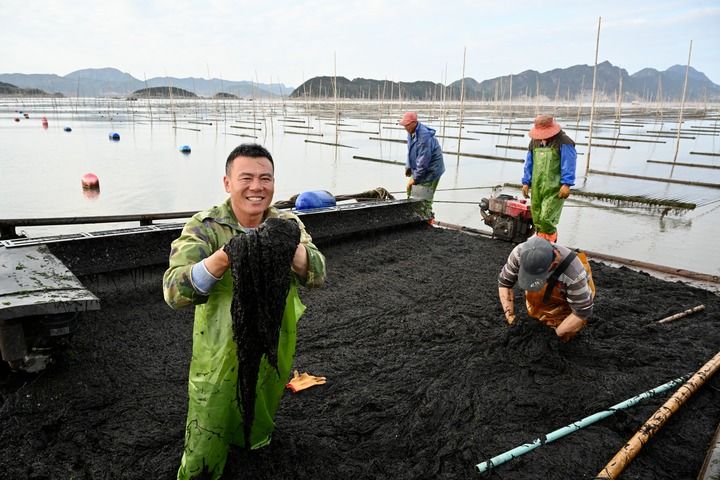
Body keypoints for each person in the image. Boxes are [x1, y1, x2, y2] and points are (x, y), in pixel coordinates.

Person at [163, 143, 326, 480]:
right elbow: (174, 290)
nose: (257, 186)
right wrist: (228, 255)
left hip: (275, 337)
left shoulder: (288, 223)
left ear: (274, 184)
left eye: (265, 178)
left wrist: (288, 248)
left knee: (263, 399)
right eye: (246, 177)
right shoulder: (205, 226)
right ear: (227, 183)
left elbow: (318, 273)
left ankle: (253, 443)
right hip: (218, 346)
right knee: (211, 410)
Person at [497, 236, 595, 342]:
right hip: (551, 282)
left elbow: (582, 312)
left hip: (571, 289)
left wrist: (553, 337)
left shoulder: (574, 274)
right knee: (537, 317)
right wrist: (511, 318)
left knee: (567, 335)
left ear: (553, 263)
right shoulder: (519, 253)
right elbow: (504, 283)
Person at [521, 114, 577, 242]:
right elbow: (529, 163)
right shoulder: (535, 142)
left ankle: (550, 244)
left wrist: (567, 184)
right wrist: (526, 182)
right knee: (537, 217)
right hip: (537, 186)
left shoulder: (564, 142)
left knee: (547, 218)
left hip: (555, 187)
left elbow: (569, 163)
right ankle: (540, 244)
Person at [398, 111, 446, 217]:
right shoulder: (411, 132)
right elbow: (410, 150)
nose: (405, 127)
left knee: (423, 197)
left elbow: (423, 162)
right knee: (412, 190)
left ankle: (426, 219)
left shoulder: (424, 138)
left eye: (406, 125)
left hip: (431, 170)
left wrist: (415, 178)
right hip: (422, 168)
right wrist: (408, 166)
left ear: (414, 123)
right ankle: (414, 213)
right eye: (404, 125)